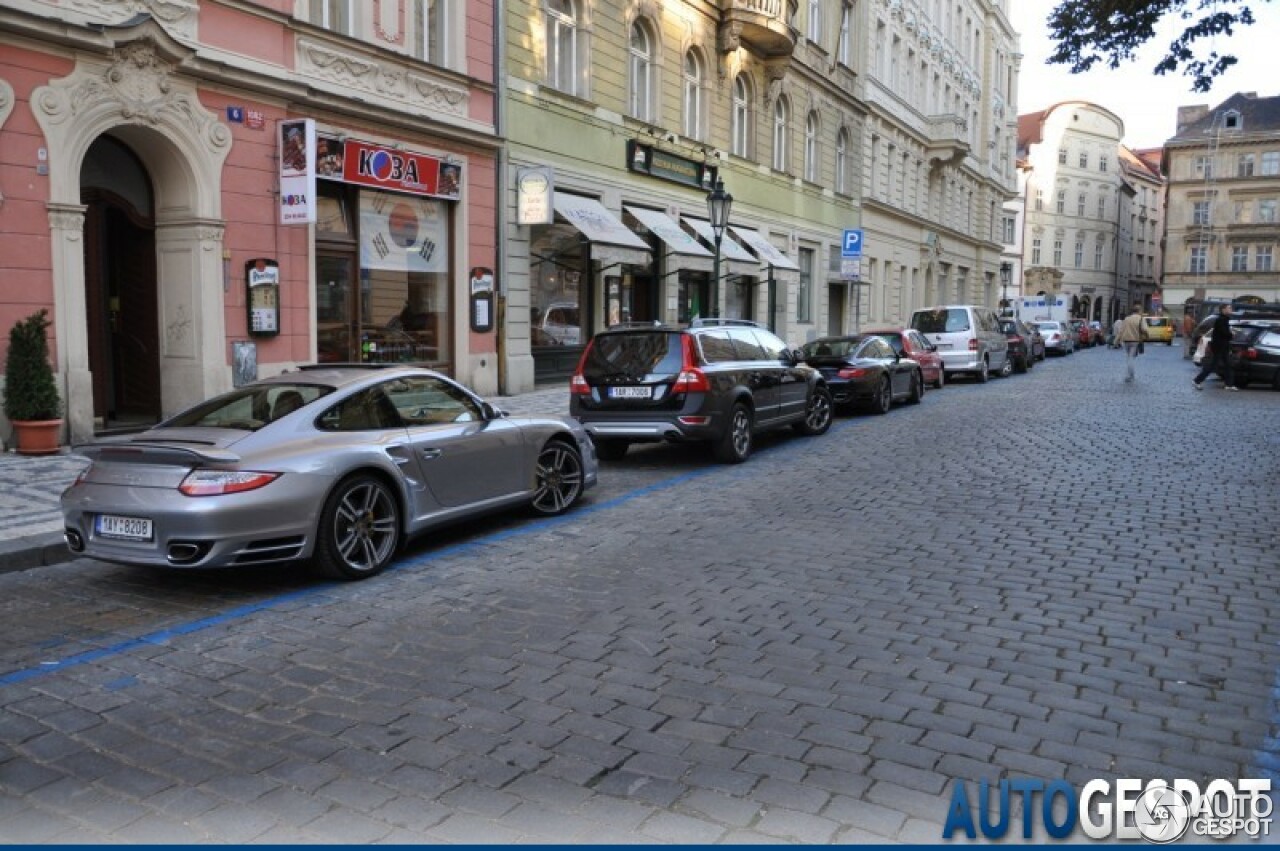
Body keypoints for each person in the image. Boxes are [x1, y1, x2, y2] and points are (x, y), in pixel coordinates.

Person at [1192, 304, 1237, 391]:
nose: (1231, 309)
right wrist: (1232, 334)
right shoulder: (1221, 320)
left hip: (1222, 346)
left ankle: (1229, 384)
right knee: (1213, 366)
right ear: (1223, 310)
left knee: (1228, 365)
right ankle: (1197, 380)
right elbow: (1224, 333)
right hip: (1219, 347)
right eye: (1229, 308)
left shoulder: (1224, 319)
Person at [1114, 304, 1147, 383]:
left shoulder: (1126, 319)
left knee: (1129, 357)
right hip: (1135, 340)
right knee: (1131, 358)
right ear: (1139, 311)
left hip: (1126, 340)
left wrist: (1116, 341)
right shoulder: (1140, 319)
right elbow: (1144, 329)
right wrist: (1147, 335)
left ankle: (1130, 374)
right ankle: (1130, 375)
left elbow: (1121, 331)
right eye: (1141, 311)